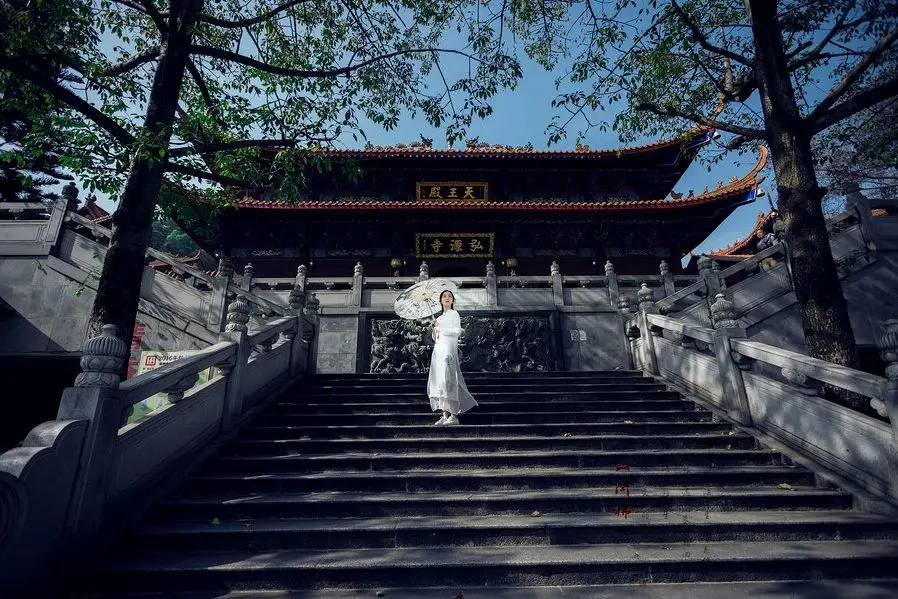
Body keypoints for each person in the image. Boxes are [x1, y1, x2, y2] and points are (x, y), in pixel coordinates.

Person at [428, 289, 478, 426]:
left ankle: (454, 415)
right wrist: (434, 328)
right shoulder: (438, 318)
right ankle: (445, 415)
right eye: (444, 296)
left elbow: (457, 331)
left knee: (449, 378)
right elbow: (436, 338)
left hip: (448, 349)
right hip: (439, 350)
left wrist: (441, 329)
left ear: (452, 300)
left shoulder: (454, 314)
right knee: (440, 381)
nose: (447, 298)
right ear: (440, 301)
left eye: (449, 296)